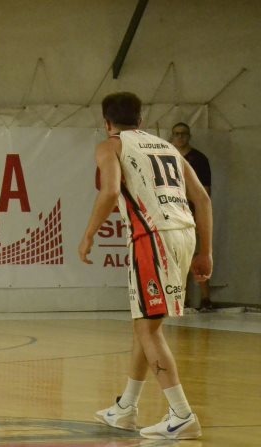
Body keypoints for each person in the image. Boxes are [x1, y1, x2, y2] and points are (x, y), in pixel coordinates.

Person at [78, 92, 212, 440]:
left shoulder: (110, 147)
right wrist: (206, 252)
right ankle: (126, 407)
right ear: (141, 120)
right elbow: (202, 198)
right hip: (185, 233)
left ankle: (181, 413)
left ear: (107, 123)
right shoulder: (169, 148)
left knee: (148, 329)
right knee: (145, 322)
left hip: (153, 238)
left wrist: (89, 234)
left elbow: (108, 193)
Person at [170, 122, 213, 311]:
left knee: (196, 256)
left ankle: (205, 299)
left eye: (184, 134)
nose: (180, 137)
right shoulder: (166, 156)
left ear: (189, 136)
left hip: (191, 214)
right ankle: (182, 299)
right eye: (177, 134)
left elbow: (204, 192)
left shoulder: (199, 159)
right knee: (177, 257)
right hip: (170, 214)